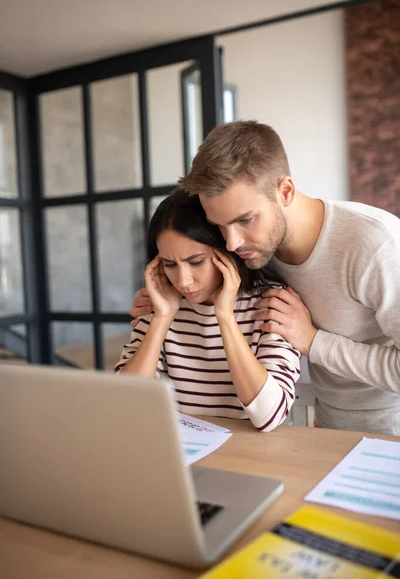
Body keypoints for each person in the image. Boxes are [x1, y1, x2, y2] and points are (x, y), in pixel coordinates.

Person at [132, 121, 400, 436]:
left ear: (285, 191)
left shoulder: (375, 244)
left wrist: (313, 341)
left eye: (245, 220)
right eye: (219, 226)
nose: (231, 242)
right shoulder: (256, 251)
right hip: (330, 431)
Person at [115, 189, 300, 432]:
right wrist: (162, 318)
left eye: (196, 262)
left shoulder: (272, 303)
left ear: (226, 251)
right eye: (170, 264)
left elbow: (269, 416)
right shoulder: (161, 302)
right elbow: (126, 404)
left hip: (252, 458)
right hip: (179, 458)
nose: (183, 280)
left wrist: (225, 317)